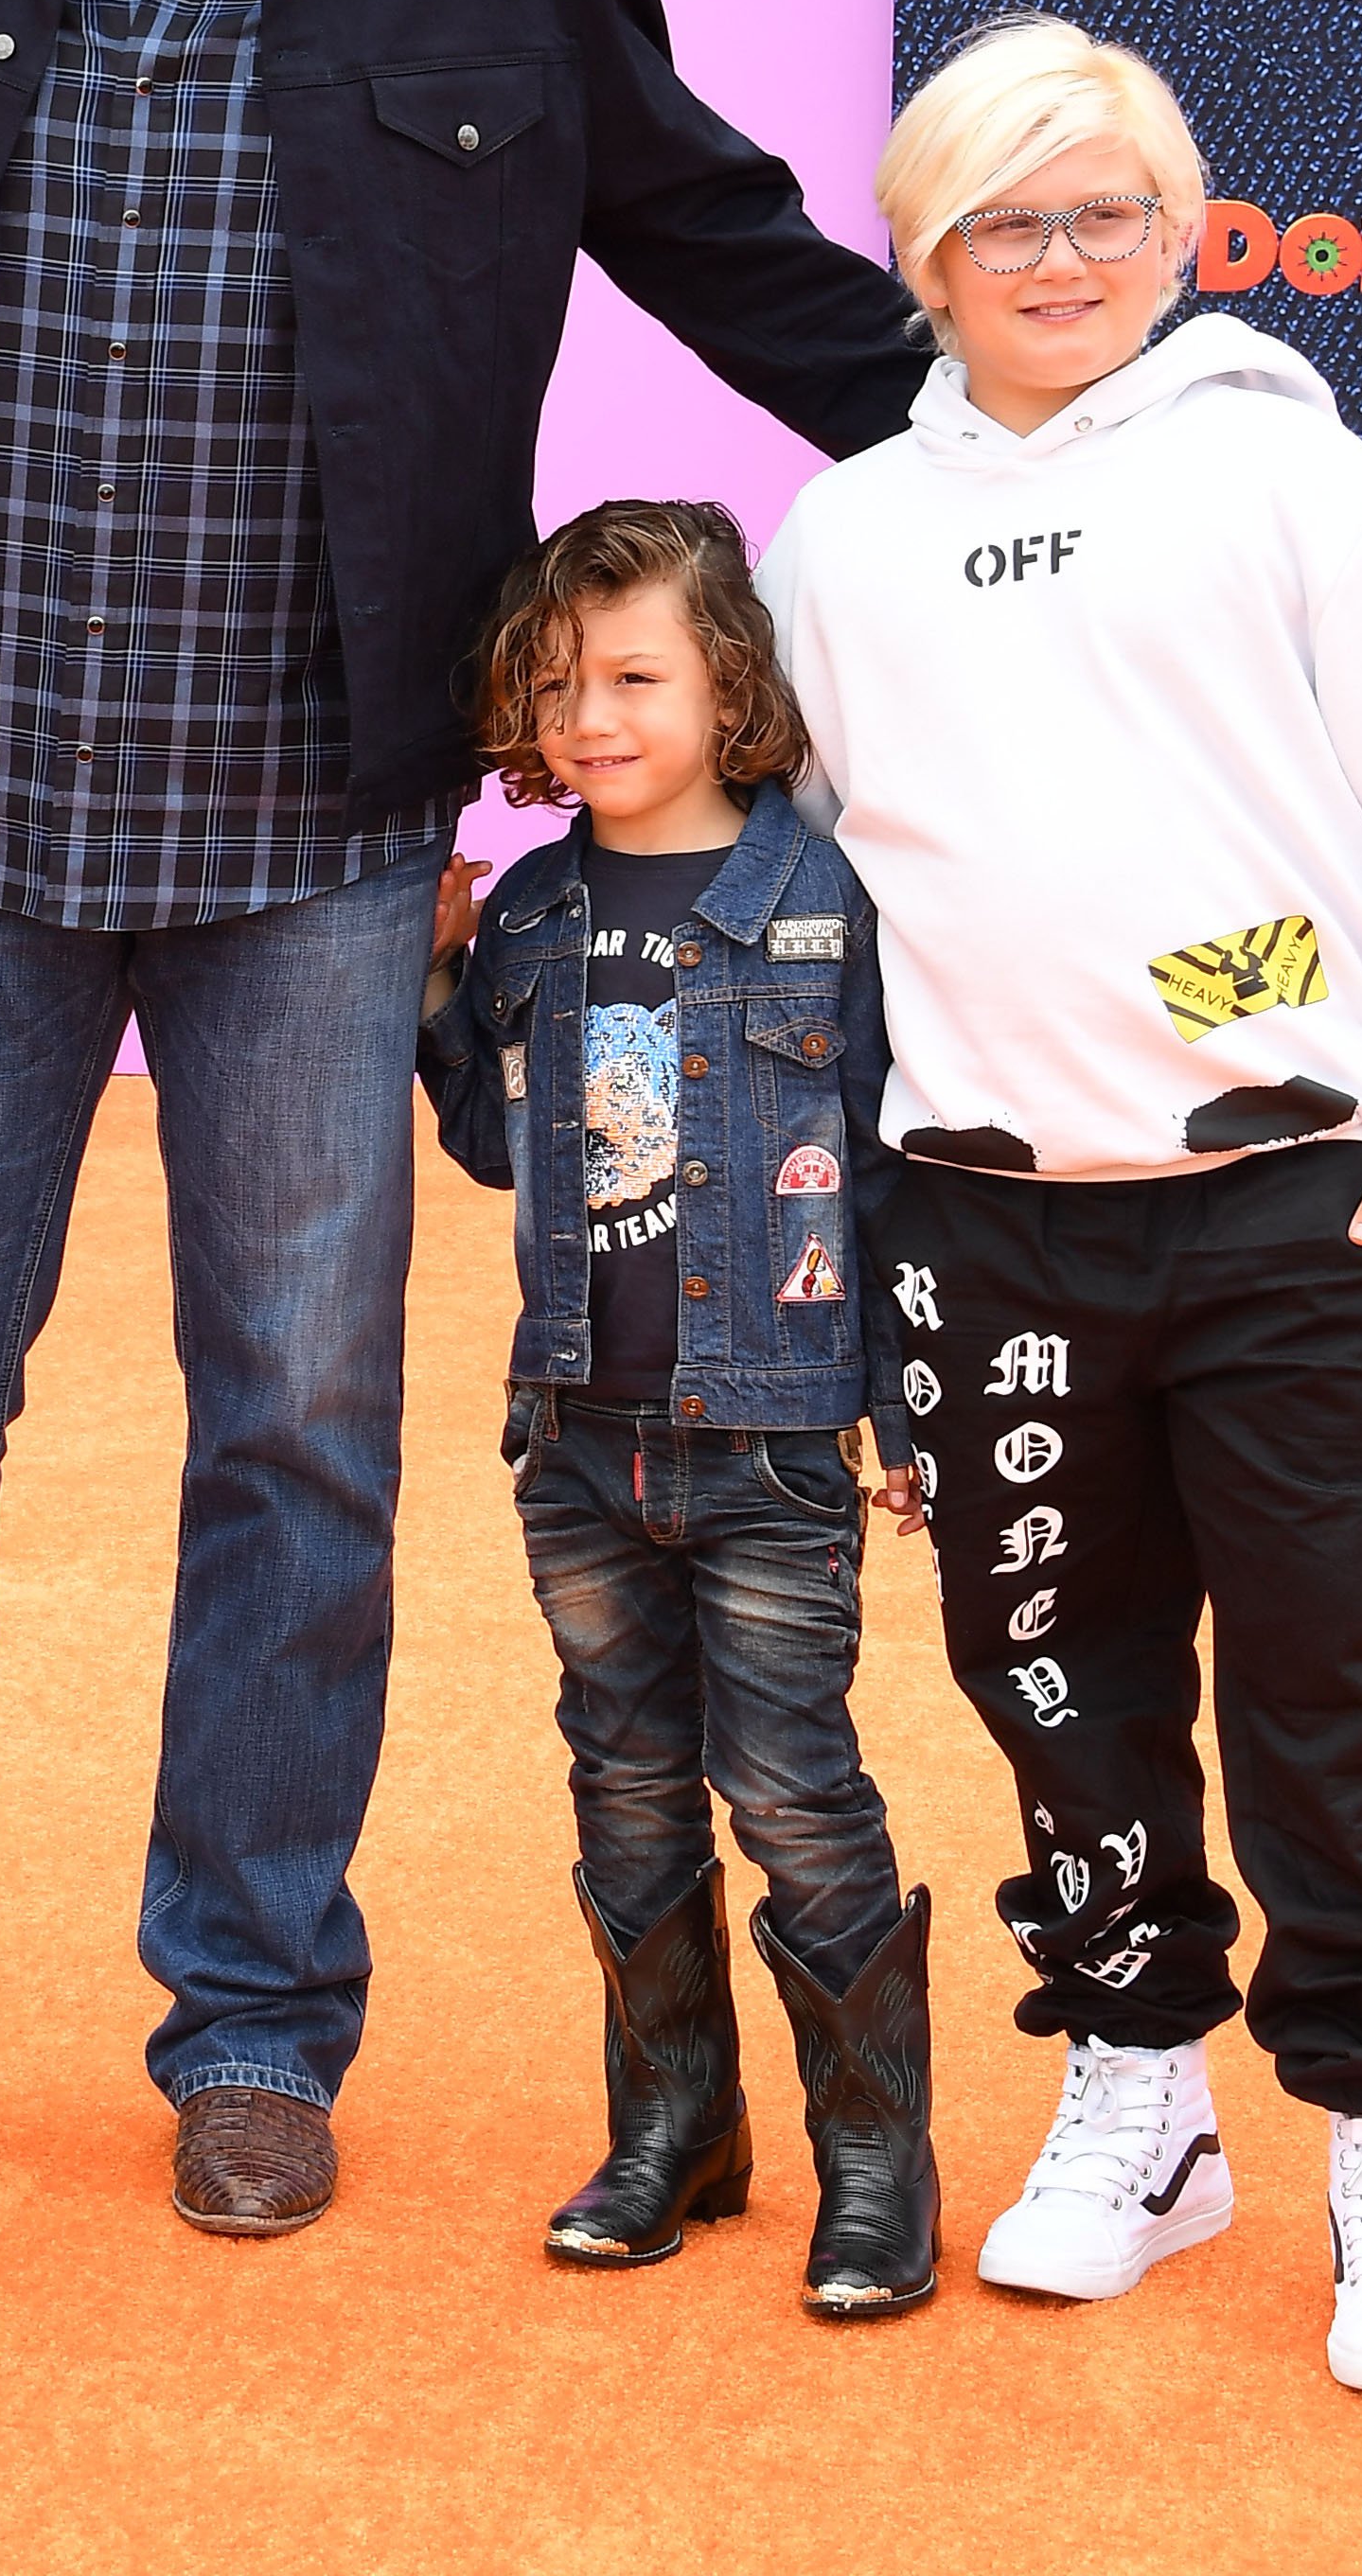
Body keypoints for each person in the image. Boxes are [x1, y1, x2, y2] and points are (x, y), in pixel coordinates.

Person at [0, 0, 931, 2232]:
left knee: (292, 1424)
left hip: (326, 839)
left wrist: (1029, 434)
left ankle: (253, 2015)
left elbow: (703, 228)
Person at [757, 14, 1362, 2402]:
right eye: (1006, 216)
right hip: (986, 1236)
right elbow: (799, 887)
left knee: (1341, 1701)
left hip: (1297, 1225)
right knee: (1051, 1695)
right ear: (920, 252)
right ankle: (1139, 2092)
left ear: (1178, 229)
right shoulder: (839, 540)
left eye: (1106, 209)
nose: (1061, 257)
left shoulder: (1295, 483)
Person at [421, 500, 937, 2316]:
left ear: (732, 685)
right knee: (622, 1790)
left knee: (793, 1790)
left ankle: (873, 2170)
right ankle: (674, 2134)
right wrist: (435, 980)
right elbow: (497, 1147)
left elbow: (892, 1173)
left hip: (777, 1433)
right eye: (557, 686)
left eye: (636, 675)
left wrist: (906, 1410)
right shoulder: (541, 913)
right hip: (573, 1434)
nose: (592, 717)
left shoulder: (825, 903)